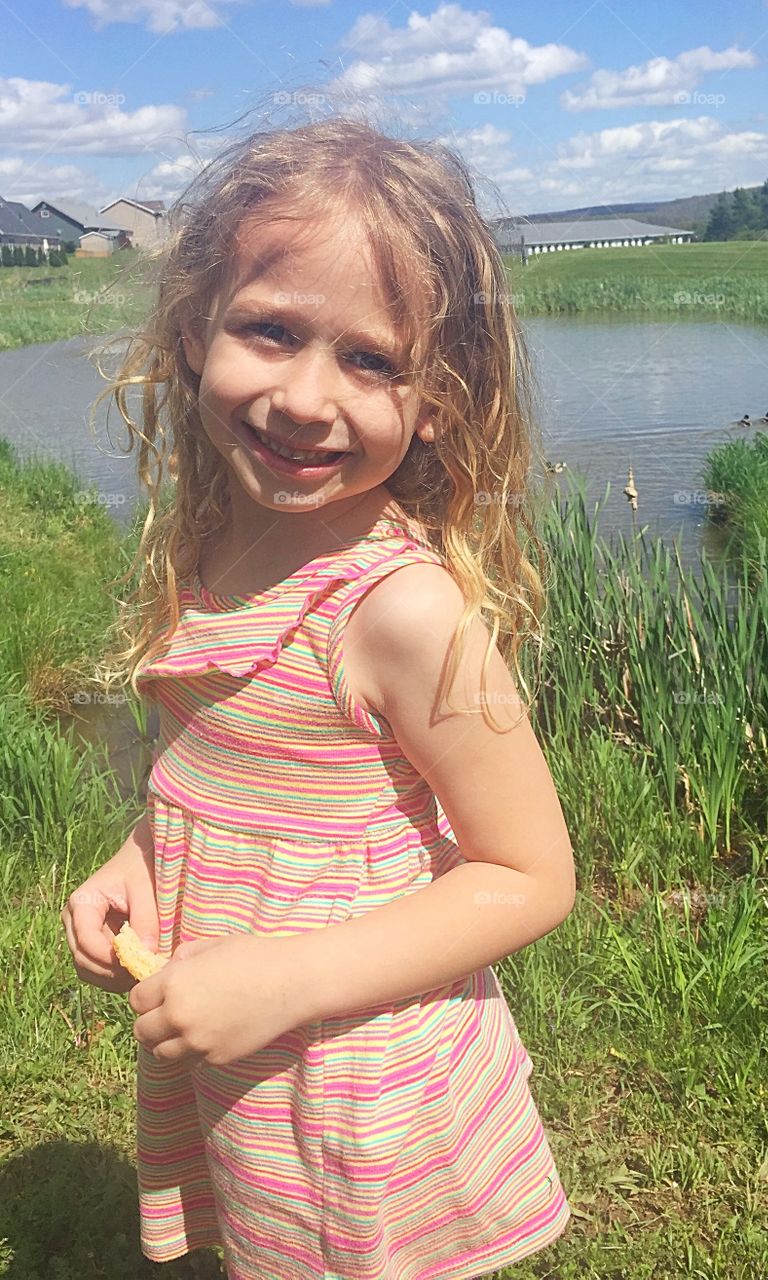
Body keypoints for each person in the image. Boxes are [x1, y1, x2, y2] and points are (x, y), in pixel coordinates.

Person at [60, 115, 577, 1280]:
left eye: (371, 359)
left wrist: (282, 978)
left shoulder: (400, 610)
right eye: (271, 330)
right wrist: (138, 857)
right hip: (248, 1063)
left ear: (437, 397)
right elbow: (219, 772)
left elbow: (530, 873)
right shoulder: (210, 545)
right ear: (194, 333)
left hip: (358, 1088)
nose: (305, 397)